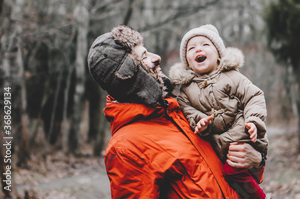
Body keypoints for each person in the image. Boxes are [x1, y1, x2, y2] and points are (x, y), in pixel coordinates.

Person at [87, 25, 265, 198]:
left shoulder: (178, 109)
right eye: (144, 56)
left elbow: (229, 165)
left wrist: (256, 160)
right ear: (129, 74)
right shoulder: (126, 148)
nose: (157, 57)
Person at [169, 24, 268, 199]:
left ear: (218, 54)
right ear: (187, 61)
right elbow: (188, 111)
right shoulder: (185, 91)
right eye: (191, 48)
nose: (198, 48)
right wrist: (199, 121)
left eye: (205, 45)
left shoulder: (232, 76)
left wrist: (253, 121)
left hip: (242, 135)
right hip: (218, 146)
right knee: (227, 180)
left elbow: (254, 96)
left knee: (234, 172)